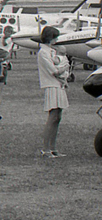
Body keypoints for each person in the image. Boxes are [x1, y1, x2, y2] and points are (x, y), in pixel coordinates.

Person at [36, 26, 70, 157]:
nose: (56, 40)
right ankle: (45, 149)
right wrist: (65, 66)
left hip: (58, 84)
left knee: (57, 117)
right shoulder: (43, 53)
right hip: (51, 85)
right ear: (50, 38)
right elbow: (54, 70)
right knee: (52, 117)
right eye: (55, 37)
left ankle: (53, 147)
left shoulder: (51, 51)